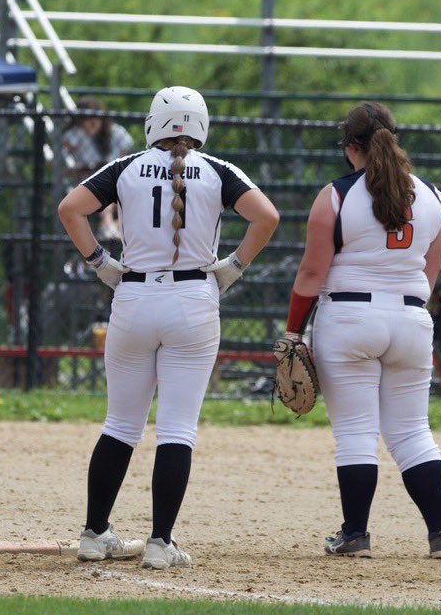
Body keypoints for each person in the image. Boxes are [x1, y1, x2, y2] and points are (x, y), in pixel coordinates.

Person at [58, 86, 279, 569]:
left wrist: (100, 262)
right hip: (194, 300)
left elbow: (69, 209)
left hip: (134, 296)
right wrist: (233, 266)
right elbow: (267, 216)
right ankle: (160, 543)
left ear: (153, 124)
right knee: (177, 427)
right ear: (200, 126)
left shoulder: (127, 166)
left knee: (120, 424)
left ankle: (95, 534)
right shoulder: (220, 171)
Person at [277, 102, 441, 559]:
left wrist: (293, 333)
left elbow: (312, 275)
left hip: (350, 319)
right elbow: (429, 274)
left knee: (356, 433)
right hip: (412, 318)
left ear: (350, 148)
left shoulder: (336, 196)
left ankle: (355, 535)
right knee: (414, 432)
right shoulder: (433, 196)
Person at [62, 97, 134, 239]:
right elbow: (58, 160)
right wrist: (77, 169)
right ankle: (108, 224)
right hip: (86, 178)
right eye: (84, 124)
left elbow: (124, 161)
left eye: (93, 123)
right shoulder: (77, 134)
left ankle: (109, 225)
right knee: (103, 189)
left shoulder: (116, 132)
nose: (89, 129)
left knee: (112, 187)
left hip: (114, 178)